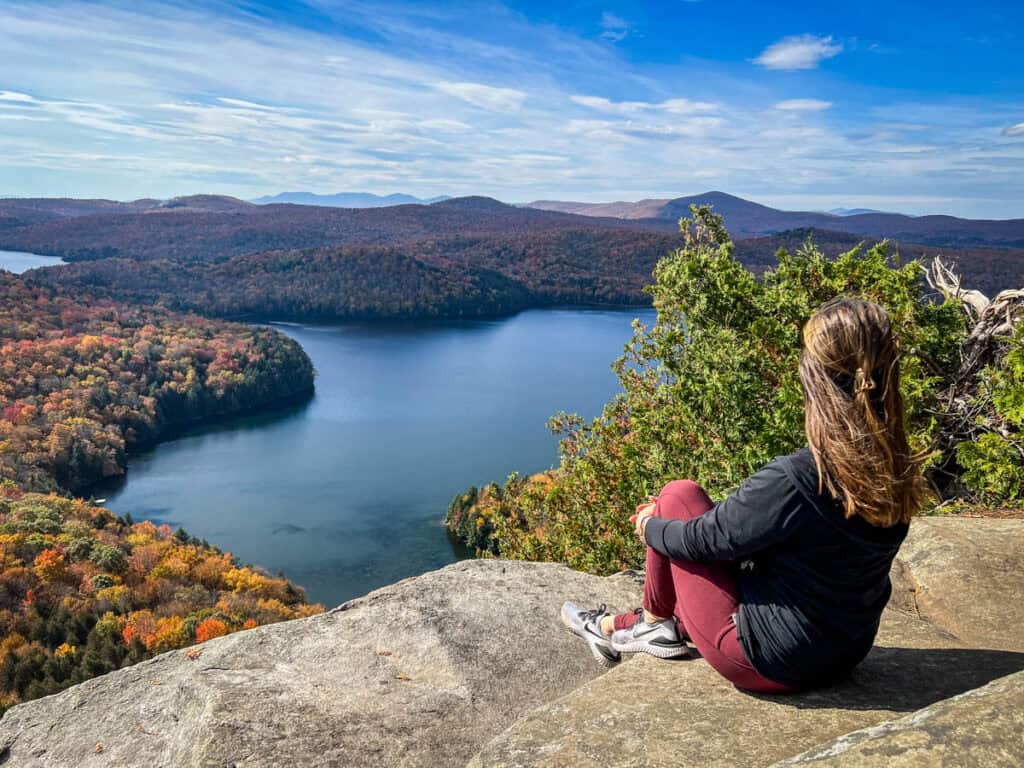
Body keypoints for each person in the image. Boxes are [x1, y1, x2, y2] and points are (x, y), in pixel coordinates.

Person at [561, 297, 928, 693]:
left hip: (767, 660)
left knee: (678, 495)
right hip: (844, 652)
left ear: (815, 380)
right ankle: (627, 624)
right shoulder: (894, 470)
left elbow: (703, 541)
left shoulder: (800, 477)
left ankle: (652, 626)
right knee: (689, 527)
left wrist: (651, 527)